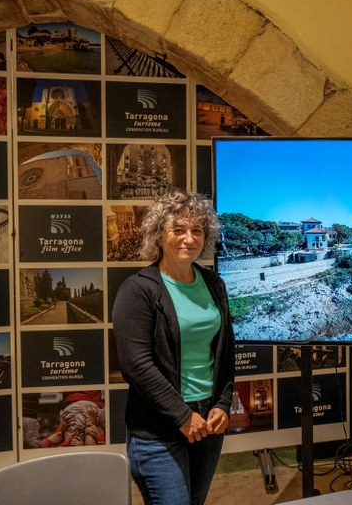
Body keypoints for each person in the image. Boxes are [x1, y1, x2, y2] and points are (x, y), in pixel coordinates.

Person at [113, 190, 235, 505]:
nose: (189, 239)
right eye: (178, 229)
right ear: (159, 235)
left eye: (197, 230)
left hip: (208, 423)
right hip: (159, 429)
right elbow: (136, 365)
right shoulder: (138, 290)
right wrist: (182, 416)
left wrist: (223, 403)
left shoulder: (214, 283)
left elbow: (225, 351)